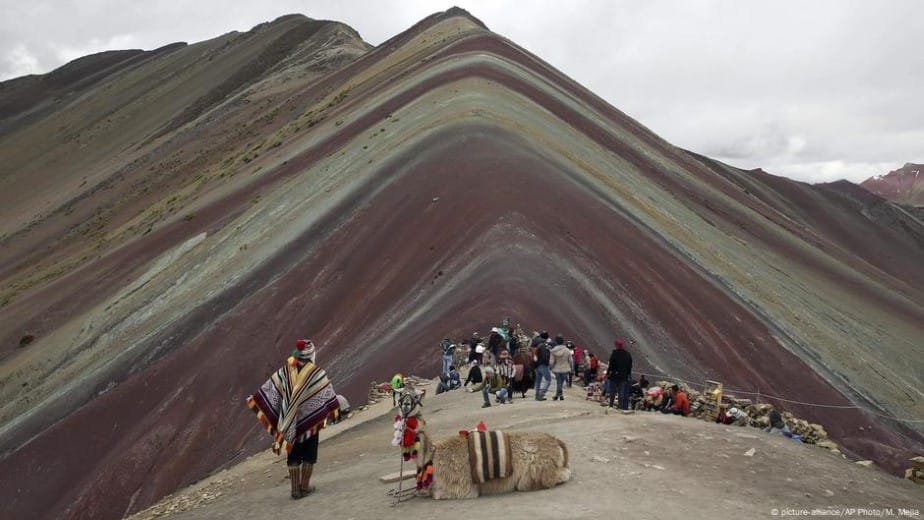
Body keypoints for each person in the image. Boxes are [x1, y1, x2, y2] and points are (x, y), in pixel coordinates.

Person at [247, 339, 340, 499]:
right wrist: (334, 410)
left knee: (294, 455)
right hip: (311, 422)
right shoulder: (317, 374)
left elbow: (272, 389)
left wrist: (256, 399)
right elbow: (327, 393)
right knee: (310, 454)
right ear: (311, 355)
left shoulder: (285, 372)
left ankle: (295, 490)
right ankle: (304, 487)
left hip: (291, 423)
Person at [605, 339, 633, 410]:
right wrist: (629, 375)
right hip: (623, 376)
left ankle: (611, 405)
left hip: (614, 375)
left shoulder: (614, 353)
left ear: (616, 345)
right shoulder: (628, 354)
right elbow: (629, 366)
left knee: (613, 391)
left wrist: (608, 373)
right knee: (621, 392)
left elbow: (611, 364)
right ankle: (620, 406)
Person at [549, 336, 573, 400]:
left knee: (559, 382)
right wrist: (572, 369)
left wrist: (550, 368)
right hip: (565, 368)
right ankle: (560, 395)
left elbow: (551, 362)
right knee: (561, 382)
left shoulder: (553, 351)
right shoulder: (567, 350)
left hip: (556, 368)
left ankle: (557, 395)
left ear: (556, 342)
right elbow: (570, 361)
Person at [533, 336, 552, 400]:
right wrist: (547, 363)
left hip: (536, 366)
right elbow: (544, 357)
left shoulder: (536, 347)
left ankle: (537, 395)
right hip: (543, 365)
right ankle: (542, 394)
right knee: (548, 380)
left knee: (538, 381)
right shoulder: (543, 347)